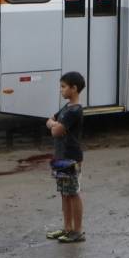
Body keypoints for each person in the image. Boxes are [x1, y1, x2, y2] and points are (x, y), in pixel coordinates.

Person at [45, 72, 85, 243]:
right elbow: (50, 121)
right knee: (64, 193)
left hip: (70, 157)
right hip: (60, 156)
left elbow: (55, 130)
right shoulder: (66, 107)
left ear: (74, 88)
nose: (61, 90)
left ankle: (77, 231)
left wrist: (54, 125)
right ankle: (67, 227)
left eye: (63, 87)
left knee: (73, 193)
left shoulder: (74, 111)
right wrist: (54, 124)